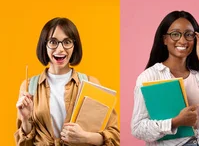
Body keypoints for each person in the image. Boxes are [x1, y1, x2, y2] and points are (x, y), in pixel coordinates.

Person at [15, 17, 120, 145]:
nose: (60, 49)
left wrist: (86, 137)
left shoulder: (91, 83)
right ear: (44, 45)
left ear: (74, 46)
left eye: (67, 42)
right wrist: (26, 119)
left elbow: (114, 136)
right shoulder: (29, 86)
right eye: (53, 42)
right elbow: (24, 144)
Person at [131, 10, 199, 146]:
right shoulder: (150, 76)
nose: (182, 40)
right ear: (164, 39)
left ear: (196, 38)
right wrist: (176, 122)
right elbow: (138, 128)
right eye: (175, 34)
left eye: (189, 35)